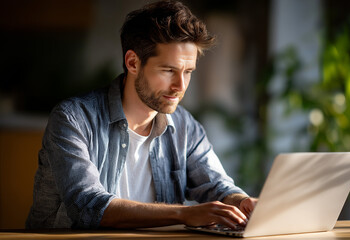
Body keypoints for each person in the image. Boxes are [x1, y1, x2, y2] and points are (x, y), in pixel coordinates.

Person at [26, 0, 257, 229]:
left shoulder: (185, 126)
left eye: (188, 72)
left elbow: (218, 186)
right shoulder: (73, 119)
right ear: (132, 62)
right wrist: (183, 214)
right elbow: (88, 206)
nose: (180, 85)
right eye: (168, 70)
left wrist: (242, 202)